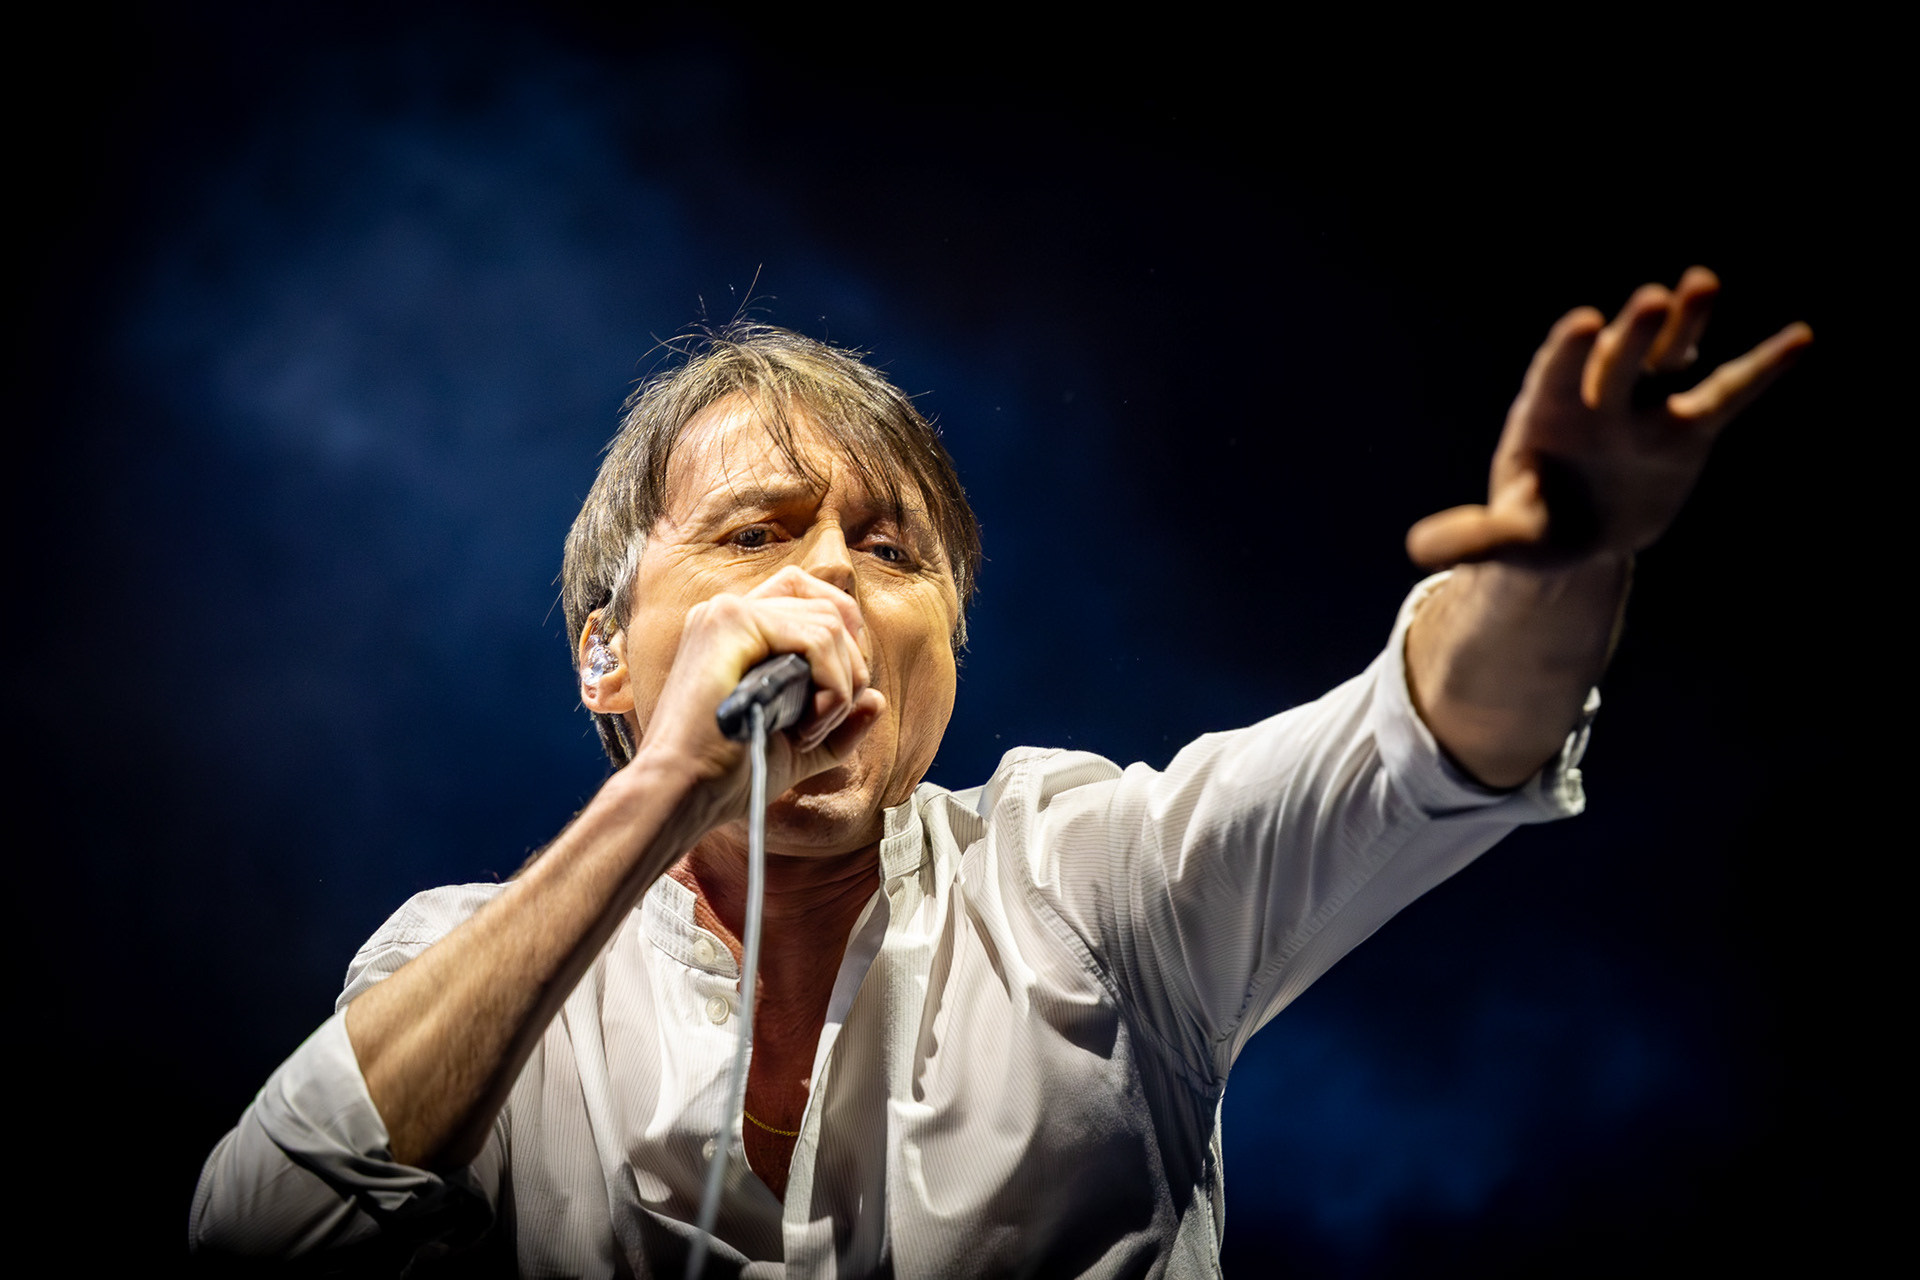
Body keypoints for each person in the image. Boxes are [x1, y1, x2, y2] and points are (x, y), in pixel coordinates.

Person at [190, 270, 1809, 1276]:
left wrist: (1558, 571)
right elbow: (258, 1231)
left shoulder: (1086, 881)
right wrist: (665, 792)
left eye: (891, 551)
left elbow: (1425, 741)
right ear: (604, 655)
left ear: (948, 657)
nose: (830, 580)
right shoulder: (463, 965)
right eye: (755, 533)